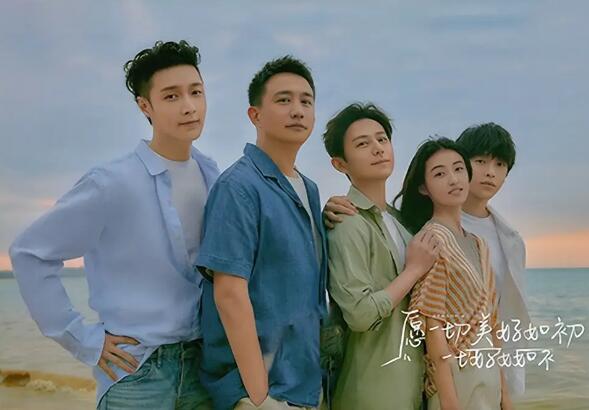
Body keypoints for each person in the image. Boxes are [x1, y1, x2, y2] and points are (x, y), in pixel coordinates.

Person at [9, 40, 217, 409]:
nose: (189, 106)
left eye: (195, 92)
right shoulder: (112, 182)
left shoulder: (212, 176)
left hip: (203, 367)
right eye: (171, 96)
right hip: (138, 372)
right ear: (145, 106)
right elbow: (29, 253)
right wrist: (82, 339)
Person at [196, 56, 326, 410]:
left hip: (305, 385)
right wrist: (258, 395)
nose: (297, 110)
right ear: (255, 115)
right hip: (262, 393)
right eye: (283, 100)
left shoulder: (309, 190)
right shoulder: (239, 186)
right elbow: (229, 293)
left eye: (306, 101)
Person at [321, 103, 439, 409]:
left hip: (412, 386)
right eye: (362, 144)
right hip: (372, 392)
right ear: (340, 164)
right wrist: (412, 271)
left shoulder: (401, 223)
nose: (378, 148)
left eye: (382, 139)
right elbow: (360, 315)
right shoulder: (347, 222)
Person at [395, 137, 512, 410]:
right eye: (440, 174)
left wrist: (505, 395)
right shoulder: (431, 240)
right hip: (459, 375)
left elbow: (492, 323)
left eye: (459, 169)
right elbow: (433, 327)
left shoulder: (478, 244)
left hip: (487, 370)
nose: (453, 179)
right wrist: (449, 402)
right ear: (423, 188)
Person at [456, 123, 530, 399]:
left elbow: (508, 310)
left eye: (500, 164)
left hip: (493, 361)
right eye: (480, 161)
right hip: (447, 359)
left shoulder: (510, 239)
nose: (490, 172)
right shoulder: (431, 222)